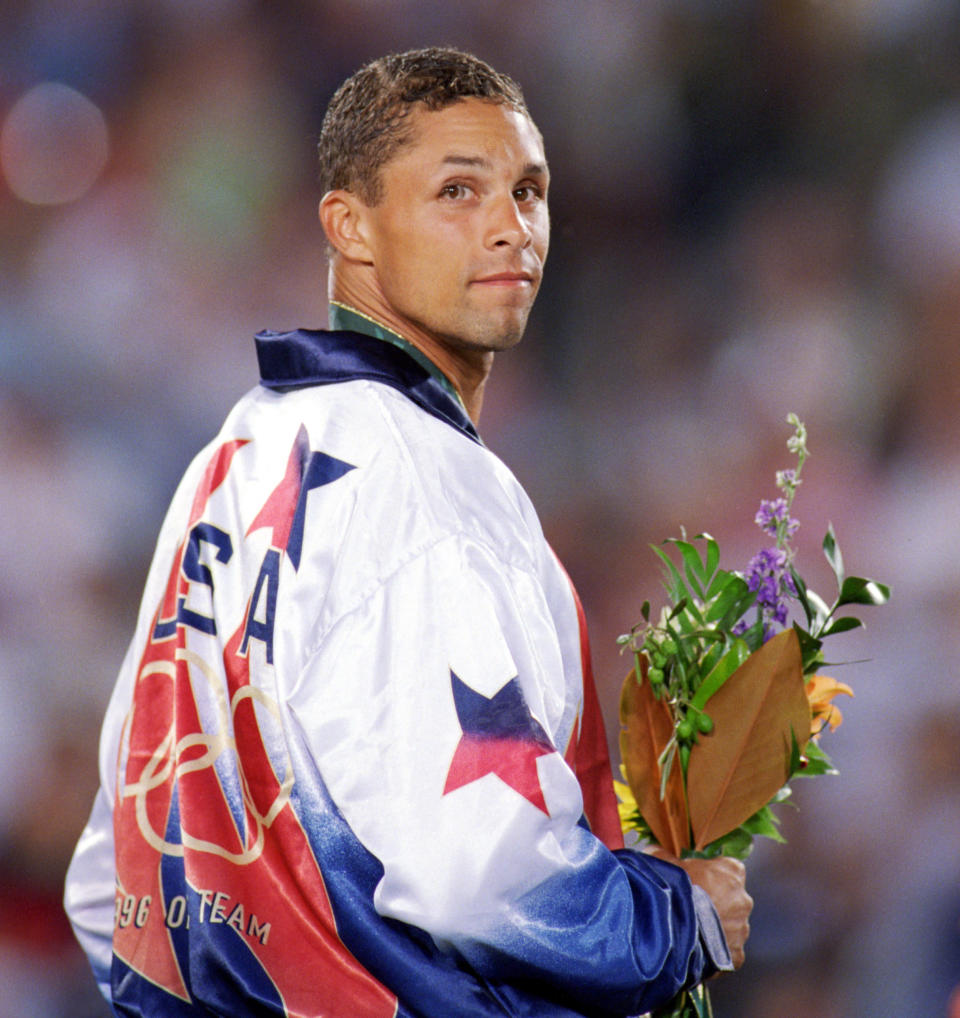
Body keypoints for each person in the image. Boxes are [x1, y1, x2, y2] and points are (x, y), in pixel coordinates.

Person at [64, 47, 751, 1017]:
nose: (510, 228)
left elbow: (110, 885)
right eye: (457, 192)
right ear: (351, 228)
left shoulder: (230, 455)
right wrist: (678, 915)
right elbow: (481, 872)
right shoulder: (430, 485)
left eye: (528, 190)